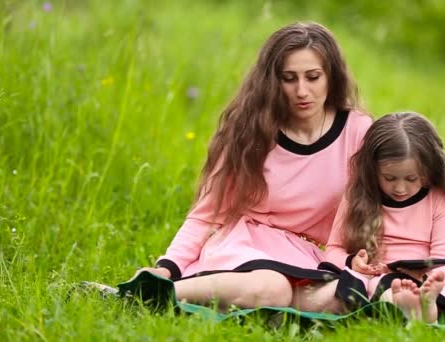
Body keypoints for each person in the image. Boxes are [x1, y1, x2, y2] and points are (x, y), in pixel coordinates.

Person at [133, 22, 373, 312]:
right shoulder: (252, 130)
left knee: (344, 297)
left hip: (309, 257)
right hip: (246, 247)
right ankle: (151, 293)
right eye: (289, 78)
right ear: (273, 81)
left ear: (331, 77)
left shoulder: (358, 130)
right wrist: (167, 267)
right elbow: (207, 214)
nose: (301, 90)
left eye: (313, 77)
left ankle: (241, 303)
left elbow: (376, 207)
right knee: (271, 290)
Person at [322, 112, 445, 323]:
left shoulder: (439, 199)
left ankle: (423, 303)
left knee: (399, 293)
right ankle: (410, 308)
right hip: (373, 279)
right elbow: (332, 250)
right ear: (372, 169)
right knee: (361, 290)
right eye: (389, 178)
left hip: (426, 282)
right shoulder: (357, 196)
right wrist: (352, 262)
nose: (400, 188)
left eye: (412, 178)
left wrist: (433, 279)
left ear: (430, 170)